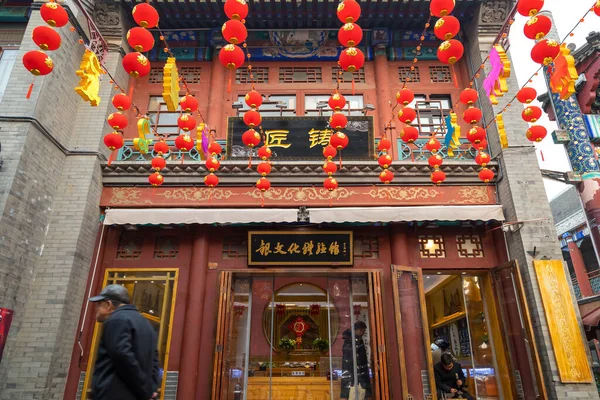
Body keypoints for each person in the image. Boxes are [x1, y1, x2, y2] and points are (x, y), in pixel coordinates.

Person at [89, 284, 160, 400]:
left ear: (108, 305)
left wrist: (144, 389)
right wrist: (150, 388)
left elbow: (123, 356)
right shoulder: (146, 323)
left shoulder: (116, 320)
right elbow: (155, 359)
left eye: (99, 304)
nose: (96, 309)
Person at [341, 321, 372, 400]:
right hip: (354, 379)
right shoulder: (351, 342)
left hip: (358, 379)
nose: (363, 333)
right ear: (357, 330)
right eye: (362, 331)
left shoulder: (357, 341)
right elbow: (350, 362)